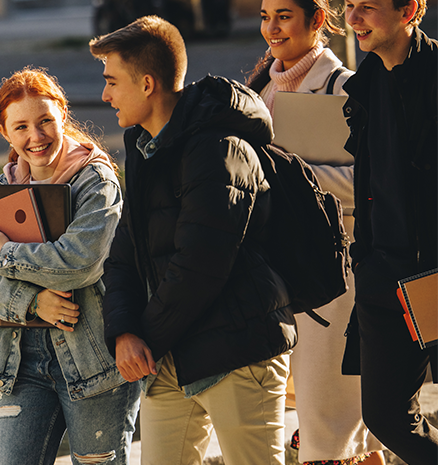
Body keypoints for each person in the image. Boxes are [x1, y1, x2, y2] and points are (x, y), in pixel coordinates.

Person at [93, 16, 298, 465]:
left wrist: (145, 336)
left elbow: (200, 265)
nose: (104, 94)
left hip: (238, 349)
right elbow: (124, 253)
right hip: (170, 351)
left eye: (111, 82)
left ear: (147, 84)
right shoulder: (144, 145)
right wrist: (124, 332)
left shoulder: (220, 149)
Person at [0, 67, 141, 465]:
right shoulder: (0, 188)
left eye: (45, 122)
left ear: (62, 114)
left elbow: (79, 265)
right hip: (20, 362)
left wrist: (5, 255)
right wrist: (31, 302)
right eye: (20, 127)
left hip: (96, 361)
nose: (36, 137)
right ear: (5, 134)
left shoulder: (96, 182)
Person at [245, 1, 388, 463]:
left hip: (332, 268)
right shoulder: (258, 88)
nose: (271, 27)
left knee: (331, 420)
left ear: (318, 21)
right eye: (265, 16)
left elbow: (372, 184)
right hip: (276, 270)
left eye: (284, 15)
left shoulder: (345, 87)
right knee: (330, 420)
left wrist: (292, 173)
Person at [340, 0, 438, 459]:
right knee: (384, 415)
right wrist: (368, 263)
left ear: (410, 9)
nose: (353, 18)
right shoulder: (365, 84)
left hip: (435, 274)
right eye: (349, 6)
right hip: (383, 276)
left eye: (367, 7)